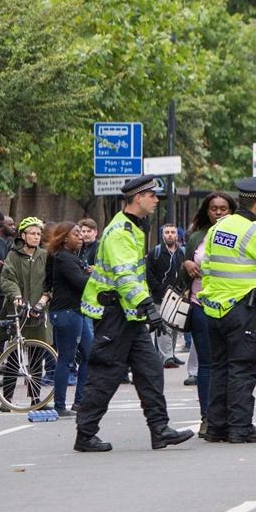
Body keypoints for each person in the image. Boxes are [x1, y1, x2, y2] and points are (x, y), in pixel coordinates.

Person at [75, 175, 192, 453]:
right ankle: (85, 435)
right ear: (138, 198)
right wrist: (149, 306)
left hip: (131, 315)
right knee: (105, 375)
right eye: (152, 196)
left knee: (151, 371)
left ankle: (160, 430)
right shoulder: (120, 232)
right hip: (115, 315)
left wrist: (144, 308)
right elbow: (125, 276)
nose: (156, 200)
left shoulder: (134, 227)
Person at [198, 178, 256, 444]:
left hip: (215, 309)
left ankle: (216, 427)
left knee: (219, 367)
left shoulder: (218, 227)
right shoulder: (254, 232)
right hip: (243, 310)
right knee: (242, 368)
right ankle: (240, 427)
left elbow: (206, 266)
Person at [179, 192, 235, 431]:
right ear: (207, 211)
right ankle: (207, 418)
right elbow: (183, 275)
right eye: (214, 208)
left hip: (233, 307)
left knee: (232, 364)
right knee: (207, 364)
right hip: (201, 306)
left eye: (224, 208)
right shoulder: (196, 237)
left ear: (231, 211)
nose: (219, 212)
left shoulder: (239, 232)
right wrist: (186, 264)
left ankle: (231, 416)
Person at [0, 217, 52, 406]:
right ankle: (6, 399)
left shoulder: (45, 256)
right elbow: (7, 278)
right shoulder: (13, 256)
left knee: (37, 355)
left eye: (38, 234)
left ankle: (35, 399)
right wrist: (16, 295)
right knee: (13, 356)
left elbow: (51, 281)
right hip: (18, 311)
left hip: (38, 311)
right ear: (23, 235)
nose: (36, 237)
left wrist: (43, 300)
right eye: (32, 233)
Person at [45, 222, 92, 416]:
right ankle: (60, 405)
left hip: (75, 311)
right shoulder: (64, 258)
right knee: (66, 359)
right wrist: (97, 277)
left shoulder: (70, 257)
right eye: (76, 234)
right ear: (65, 238)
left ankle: (80, 402)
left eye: (81, 233)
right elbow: (80, 283)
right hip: (67, 313)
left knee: (89, 353)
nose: (81, 236)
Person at [147, 223, 186, 368]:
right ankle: (166, 357)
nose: (170, 235)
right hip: (161, 297)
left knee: (175, 326)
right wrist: (158, 289)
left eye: (172, 232)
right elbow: (148, 274)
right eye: (167, 232)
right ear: (162, 235)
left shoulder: (181, 253)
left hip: (178, 296)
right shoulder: (155, 252)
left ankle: (171, 354)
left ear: (177, 235)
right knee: (164, 326)